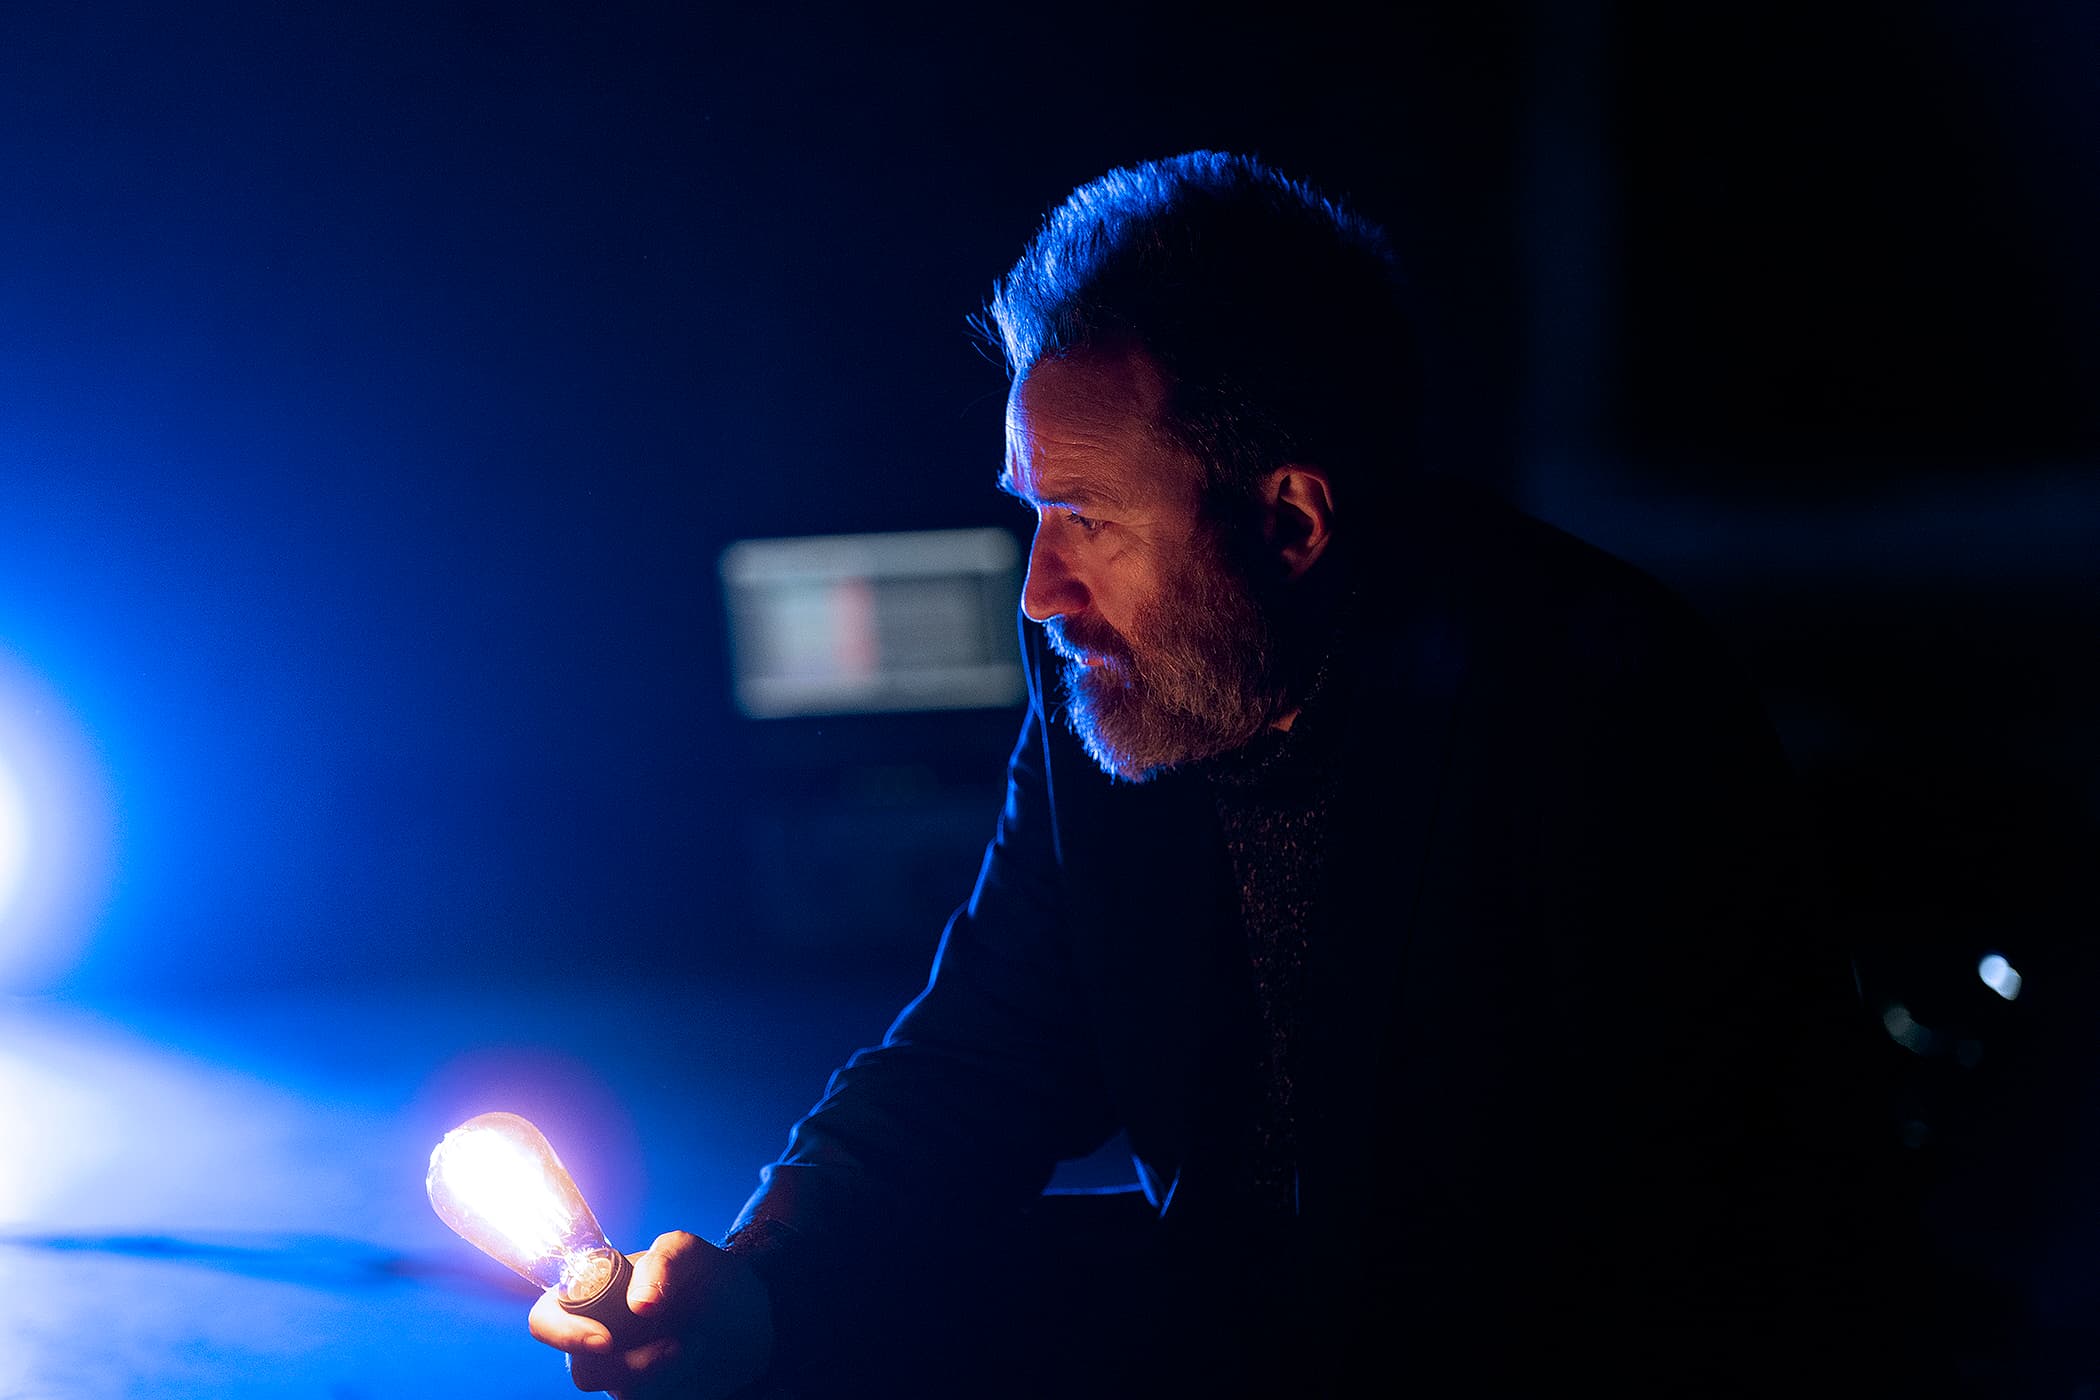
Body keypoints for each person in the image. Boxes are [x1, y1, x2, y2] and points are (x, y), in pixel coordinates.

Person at [530, 151, 1919, 1398]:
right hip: (1269, 1319)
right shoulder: (1137, 677)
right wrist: (757, 1287)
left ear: (1293, 520)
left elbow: (1706, 1228)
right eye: (1033, 514)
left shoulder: (1599, 704)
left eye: (1084, 519)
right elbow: (985, 1048)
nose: (1040, 593)